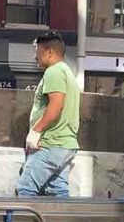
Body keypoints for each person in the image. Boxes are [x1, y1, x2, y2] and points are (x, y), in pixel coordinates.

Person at [16, 31, 81, 197]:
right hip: (65, 145)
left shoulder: (54, 72)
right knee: (57, 192)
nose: (34, 56)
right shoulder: (67, 73)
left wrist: (36, 131)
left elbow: (56, 105)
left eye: (37, 50)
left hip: (50, 143)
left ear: (50, 51)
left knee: (25, 189)